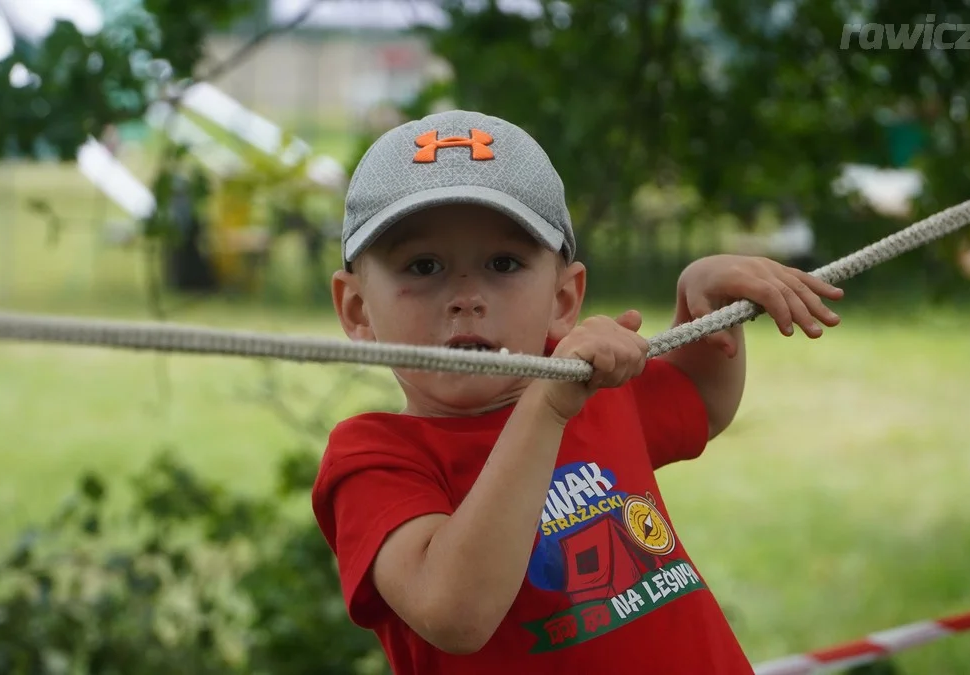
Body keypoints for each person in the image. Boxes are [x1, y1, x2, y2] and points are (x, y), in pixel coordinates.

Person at [311, 110, 843, 675]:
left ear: (564, 299)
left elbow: (699, 402)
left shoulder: (589, 387)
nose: (466, 295)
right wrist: (548, 405)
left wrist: (702, 299)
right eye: (423, 266)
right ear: (357, 309)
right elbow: (456, 613)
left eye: (503, 262)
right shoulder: (373, 458)